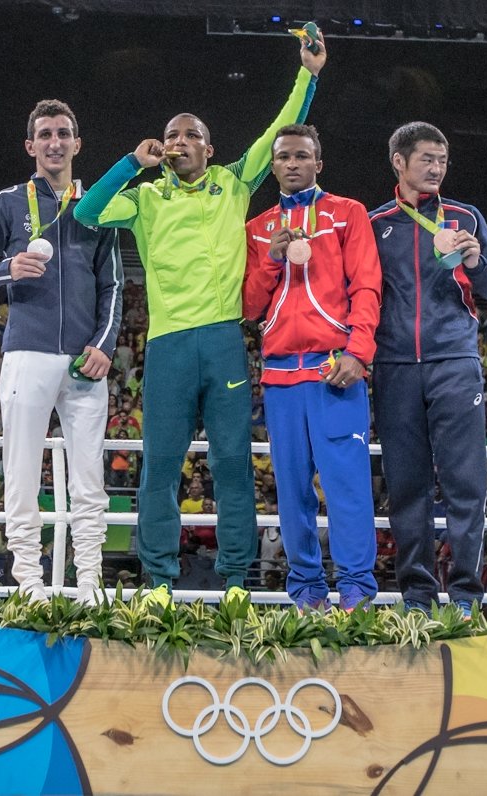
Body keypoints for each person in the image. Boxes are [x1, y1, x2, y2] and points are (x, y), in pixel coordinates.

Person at [74, 37, 327, 601]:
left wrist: (307, 76)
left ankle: (236, 580)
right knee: (160, 466)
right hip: (166, 345)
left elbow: (277, 131)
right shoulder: (143, 200)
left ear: (210, 150)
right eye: (171, 136)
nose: (179, 142)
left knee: (232, 462)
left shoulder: (235, 183)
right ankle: (159, 582)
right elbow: (88, 212)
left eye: (191, 135)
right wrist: (129, 164)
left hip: (221, 340)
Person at [0, 99, 124, 605]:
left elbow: (113, 285)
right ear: (31, 146)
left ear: (77, 143)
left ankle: (91, 584)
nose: (55, 142)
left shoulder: (100, 205)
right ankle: (28, 583)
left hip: (85, 360)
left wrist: (105, 344)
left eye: (64, 133)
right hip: (26, 354)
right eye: (45, 134)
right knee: (23, 470)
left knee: (91, 476)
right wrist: (8, 268)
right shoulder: (7, 203)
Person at [369, 121, 487, 617]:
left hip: (455, 363)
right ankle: (418, 597)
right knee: (406, 487)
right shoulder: (375, 225)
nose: (436, 168)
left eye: (442, 160)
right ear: (399, 162)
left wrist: (475, 262)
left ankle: (468, 598)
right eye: (426, 158)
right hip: (394, 368)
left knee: (464, 484)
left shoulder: (466, 217)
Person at [243, 124, 381, 612]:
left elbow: (366, 287)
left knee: (346, 487)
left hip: (333, 371)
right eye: (284, 157)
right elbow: (251, 305)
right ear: (274, 166)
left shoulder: (348, 215)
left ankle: (358, 592)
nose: (293, 163)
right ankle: (305, 592)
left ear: (318, 163)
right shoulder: (258, 228)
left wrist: (358, 352)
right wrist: (272, 259)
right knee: (292, 490)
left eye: (302, 155)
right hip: (281, 376)